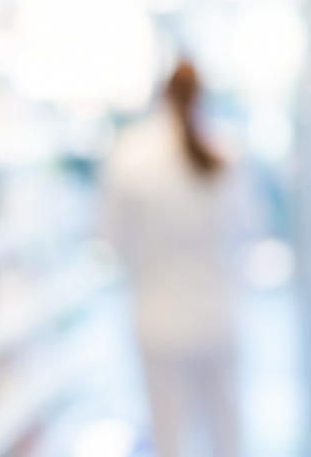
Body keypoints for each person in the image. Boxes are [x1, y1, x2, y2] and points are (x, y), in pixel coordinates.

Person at [99, 61, 258, 457]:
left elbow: (111, 240)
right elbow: (250, 230)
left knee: (169, 442)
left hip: (160, 325)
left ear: (162, 96)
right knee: (227, 440)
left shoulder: (131, 156)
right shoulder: (228, 151)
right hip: (219, 319)